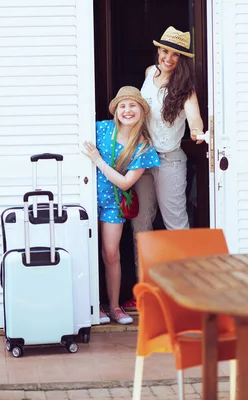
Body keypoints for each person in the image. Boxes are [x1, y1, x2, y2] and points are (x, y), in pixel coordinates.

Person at [126, 26, 206, 311]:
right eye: (165, 51)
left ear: (182, 59)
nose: (168, 58)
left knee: (175, 225)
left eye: (175, 54)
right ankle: (143, 291)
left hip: (170, 159)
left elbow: (195, 119)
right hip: (143, 159)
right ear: (158, 50)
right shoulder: (149, 73)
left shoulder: (185, 88)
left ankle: (183, 293)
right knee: (141, 225)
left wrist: (198, 132)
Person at [83, 86, 161, 325]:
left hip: (113, 203)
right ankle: (92, 306)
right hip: (85, 197)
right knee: (84, 252)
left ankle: (114, 306)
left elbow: (126, 183)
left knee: (111, 254)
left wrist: (97, 161)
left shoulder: (143, 146)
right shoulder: (100, 128)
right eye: (123, 106)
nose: (127, 110)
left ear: (141, 111)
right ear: (116, 111)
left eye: (132, 106)